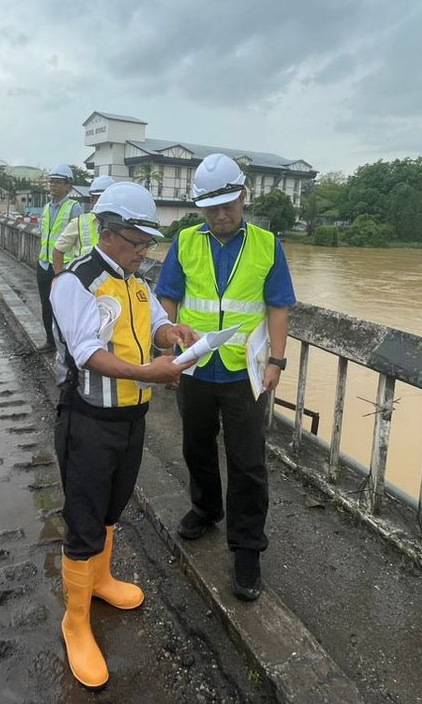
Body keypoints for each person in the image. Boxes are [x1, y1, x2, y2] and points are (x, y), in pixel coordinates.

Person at [49, 181, 196, 688]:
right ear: (109, 234)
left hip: (131, 418)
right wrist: (147, 372)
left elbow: (155, 322)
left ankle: (103, 580)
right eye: (138, 243)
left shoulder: (136, 282)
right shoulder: (78, 282)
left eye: (148, 244)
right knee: (84, 517)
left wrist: (171, 336)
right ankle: (75, 621)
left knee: (114, 505)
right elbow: (86, 351)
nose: (144, 252)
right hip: (89, 420)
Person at [156, 153, 295, 602]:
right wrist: (168, 355)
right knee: (195, 446)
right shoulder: (185, 241)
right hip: (195, 365)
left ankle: (248, 546)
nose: (221, 213)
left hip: (243, 373)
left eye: (228, 203)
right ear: (199, 206)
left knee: (248, 461)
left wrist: (277, 361)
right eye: (211, 205)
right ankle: (205, 509)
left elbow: (278, 306)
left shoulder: (268, 245)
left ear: (243, 196)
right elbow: (168, 299)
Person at [36, 163, 83, 350]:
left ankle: (65, 344)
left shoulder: (74, 207)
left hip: (63, 266)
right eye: (51, 182)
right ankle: (50, 340)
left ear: (67, 186)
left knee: (63, 308)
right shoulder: (47, 207)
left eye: (57, 182)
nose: (53, 186)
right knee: (46, 306)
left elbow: (78, 237)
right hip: (44, 264)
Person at [52, 175, 114, 274]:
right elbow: (58, 250)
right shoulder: (78, 223)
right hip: (83, 281)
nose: (104, 204)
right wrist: (59, 278)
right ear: (92, 200)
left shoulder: (121, 227)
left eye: (107, 199)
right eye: (99, 199)